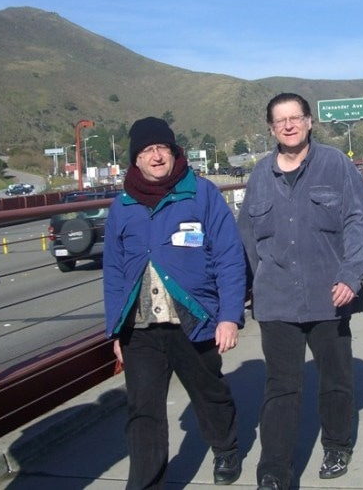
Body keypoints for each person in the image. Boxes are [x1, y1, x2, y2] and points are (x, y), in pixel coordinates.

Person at [237, 93, 363, 490]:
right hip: (276, 300)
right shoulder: (260, 175)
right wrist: (251, 288)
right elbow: (247, 237)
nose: (289, 125)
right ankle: (273, 472)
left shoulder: (335, 164)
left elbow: (360, 222)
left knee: (335, 378)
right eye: (280, 120)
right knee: (281, 387)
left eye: (295, 117)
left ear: (309, 121)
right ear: (271, 129)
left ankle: (336, 444)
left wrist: (350, 276)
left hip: (330, 294)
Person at [103, 116, 246, 489]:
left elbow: (230, 256)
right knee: (143, 411)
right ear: (136, 159)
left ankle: (226, 449)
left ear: (174, 152)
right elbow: (114, 272)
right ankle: (146, 483)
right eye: (147, 150)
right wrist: (115, 330)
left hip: (193, 319)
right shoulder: (122, 205)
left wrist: (229, 317)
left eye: (162, 148)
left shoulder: (201, 193)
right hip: (140, 328)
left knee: (209, 393)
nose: (156, 156)